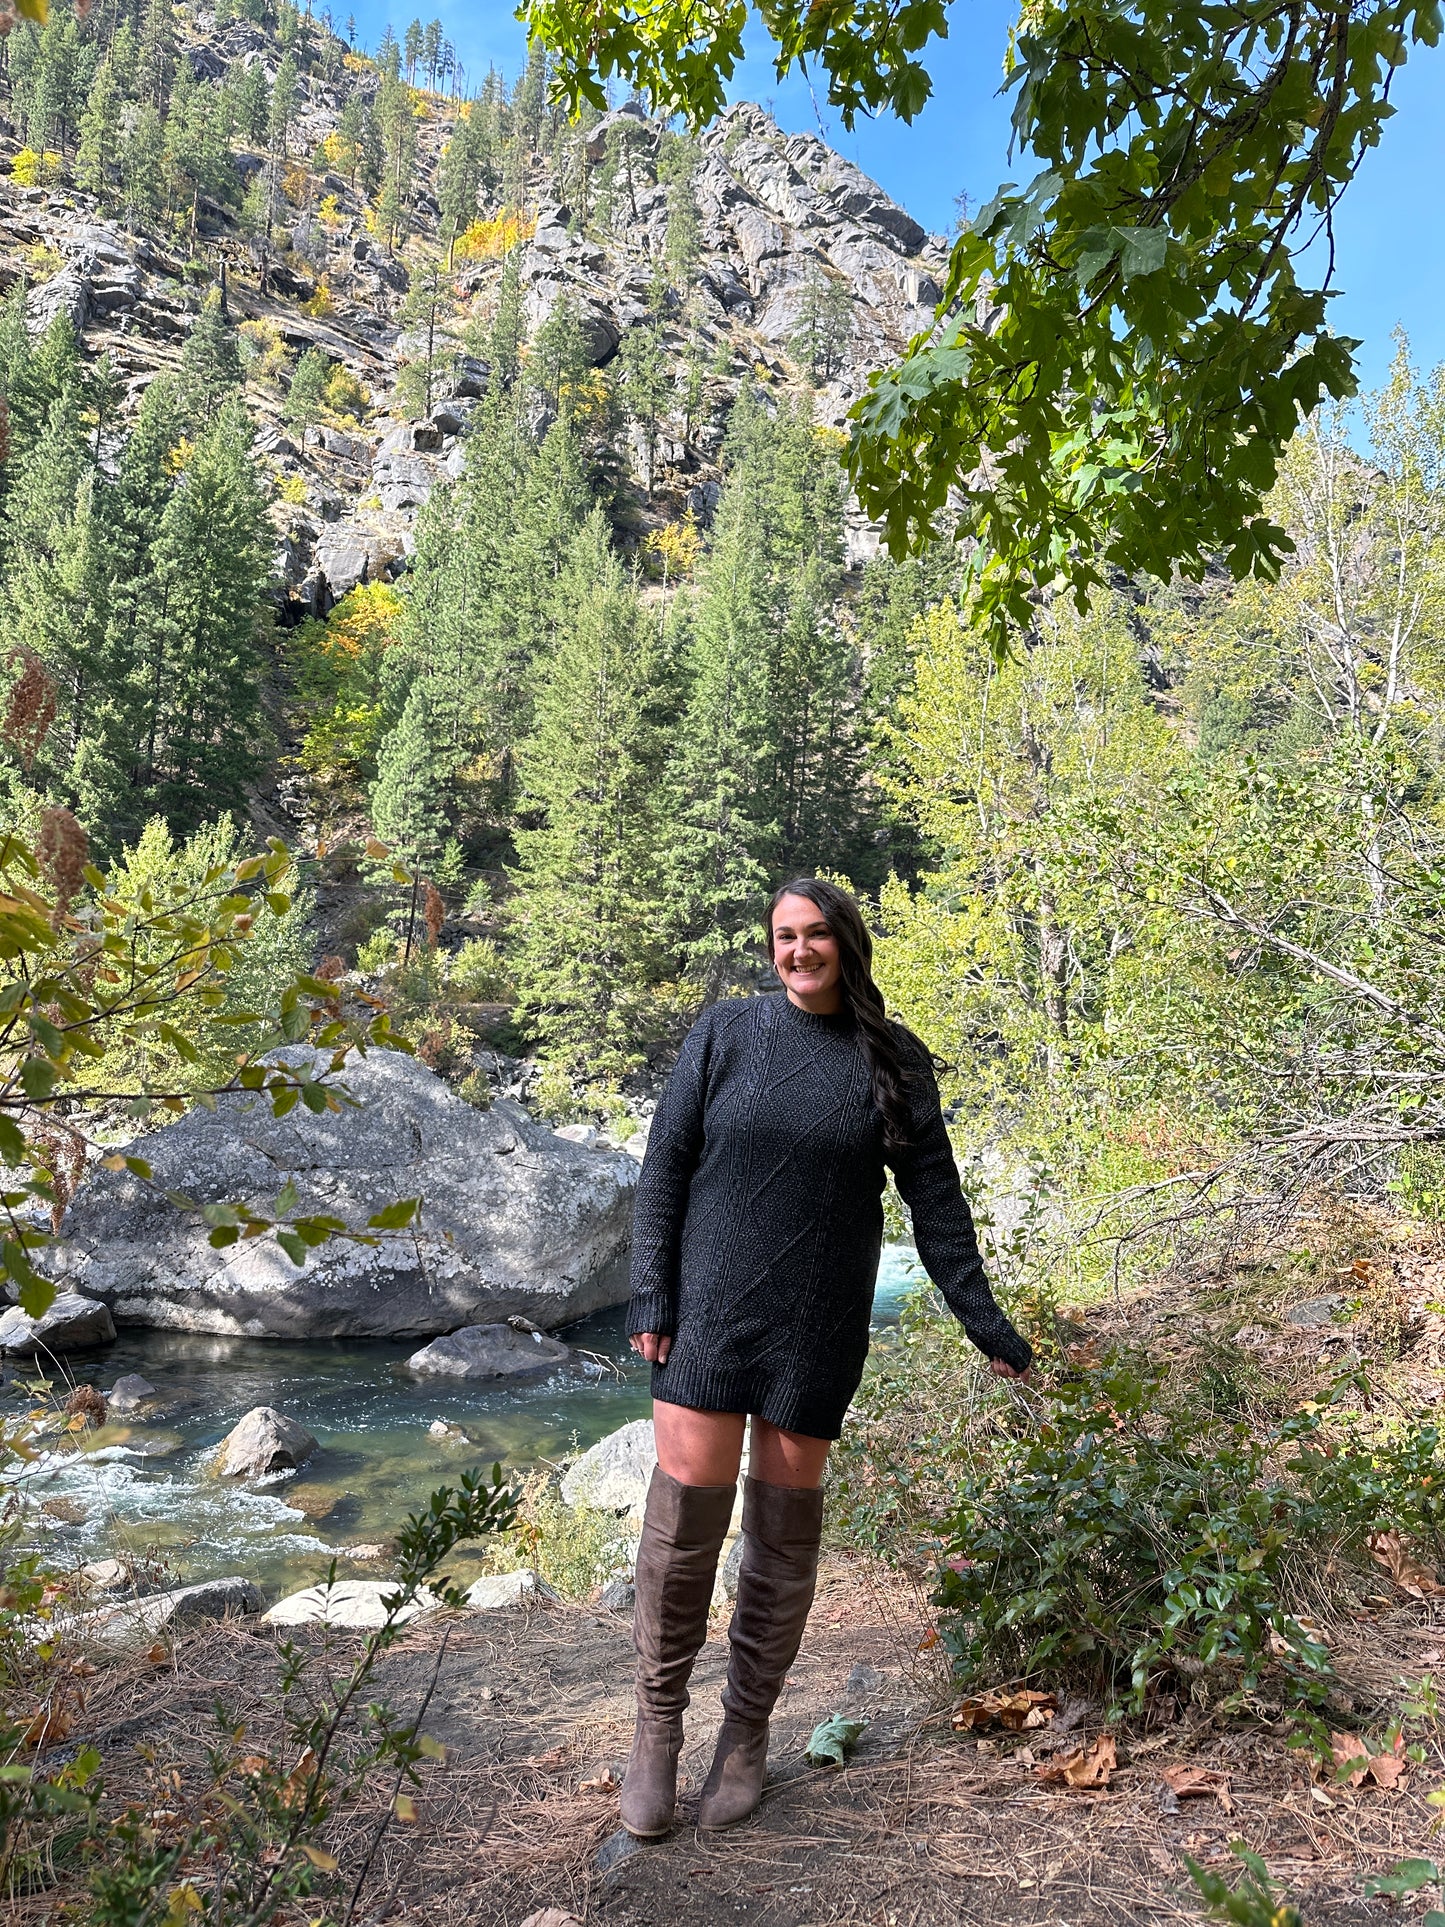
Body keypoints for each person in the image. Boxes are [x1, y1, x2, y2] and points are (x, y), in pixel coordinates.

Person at [619, 876, 1033, 1839]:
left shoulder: (892, 1058)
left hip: (816, 1321)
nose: (795, 950)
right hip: (709, 1313)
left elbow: (938, 1205)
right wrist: (651, 1293)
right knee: (682, 1530)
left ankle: (745, 1735)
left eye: (812, 935)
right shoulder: (725, 1033)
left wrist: (987, 1326)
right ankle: (656, 1730)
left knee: (779, 1538)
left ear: (844, 942)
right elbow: (664, 1166)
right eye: (781, 935)